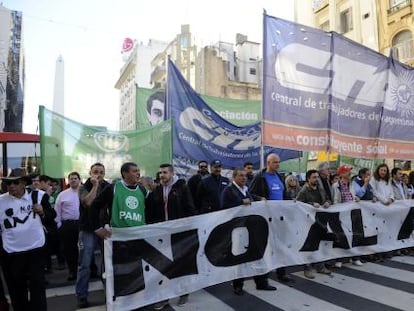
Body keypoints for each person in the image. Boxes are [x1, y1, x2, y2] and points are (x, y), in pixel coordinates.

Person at [0, 168, 56, 311]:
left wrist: (43, 211)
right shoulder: (1, 201)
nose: (11, 186)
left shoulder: (39, 196)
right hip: (12, 252)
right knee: (17, 289)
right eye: (8, 183)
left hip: (35, 249)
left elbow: (52, 215)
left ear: (24, 183)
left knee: (37, 285)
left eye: (15, 183)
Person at [146, 164, 196, 309]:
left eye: (165, 172)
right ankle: (164, 296)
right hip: (162, 234)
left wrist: (188, 230)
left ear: (172, 173)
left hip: (180, 234)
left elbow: (190, 209)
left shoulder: (182, 188)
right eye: (160, 172)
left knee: (181, 264)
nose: (162, 175)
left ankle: (184, 291)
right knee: (163, 265)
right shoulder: (157, 190)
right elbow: (150, 211)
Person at [220, 167, 276, 294]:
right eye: (240, 176)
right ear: (234, 177)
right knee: (240, 258)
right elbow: (223, 208)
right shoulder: (228, 190)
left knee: (258, 254)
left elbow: (250, 198)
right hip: (237, 231)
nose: (244, 178)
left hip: (251, 228)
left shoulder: (246, 189)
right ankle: (238, 286)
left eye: (245, 176)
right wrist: (240, 202)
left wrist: (259, 199)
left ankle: (261, 282)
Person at [249, 153, 293, 284]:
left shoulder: (279, 176)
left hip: (279, 218)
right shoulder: (260, 177)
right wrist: (260, 199)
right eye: (275, 162)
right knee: (266, 247)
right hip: (266, 219)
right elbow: (251, 194)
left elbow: (283, 194)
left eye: (279, 162)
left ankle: (282, 273)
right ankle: (262, 278)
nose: (278, 164)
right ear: (268, 163)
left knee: (281, 246)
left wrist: (291, 202)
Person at [76, 163, 109, 308]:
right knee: (85, 264)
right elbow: (88, 203)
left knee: (108, 262)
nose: (99, 174)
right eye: (96, 171)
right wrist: (95, 186)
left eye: (101, 172)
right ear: (90, 172)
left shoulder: (109, 186)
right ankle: (82, 295)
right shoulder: (84, 187)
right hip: (88, 229)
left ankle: (109, 291)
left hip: (104, 229)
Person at [90, 162, 149, 239]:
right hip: (117, 237)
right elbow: (94, 207)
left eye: (138, 171)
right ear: (125, 174)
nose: (138, 174)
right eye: (134, 171)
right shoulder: (112, 188)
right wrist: (97, 228)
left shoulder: (143, 190)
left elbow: (150, 211)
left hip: (138, 236)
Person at [296, 169, 332, 279]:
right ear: (308, 179)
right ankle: (307, 268)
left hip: (320, 220)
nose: (316, 179)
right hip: (308, 222)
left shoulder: (320, 189)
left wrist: (327, 203)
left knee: (319, 244)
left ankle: (320, 266)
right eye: (314, 177)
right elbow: (298, 204)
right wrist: (311, 204)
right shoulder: (304, 190)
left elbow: (328, 199)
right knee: (309, 245)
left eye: (317, 177)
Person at [332, 165, 362, 267]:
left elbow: (352, 196)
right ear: (341, 174)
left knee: (355, 234)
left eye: (349, 171)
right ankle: (339, 259)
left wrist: (356, 198)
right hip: (342, 213)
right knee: (341, 236)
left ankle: (354, 257)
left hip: (352, 213)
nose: (349, 173)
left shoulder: (351, 185)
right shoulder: (336, 186)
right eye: (346, 171)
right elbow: (335, 200)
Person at [55, 171, 82, 281]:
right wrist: (59, 224)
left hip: (82, 224)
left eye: (75, 178)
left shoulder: (85, 192)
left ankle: (91, 271)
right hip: (68, 225)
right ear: (68, 181)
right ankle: (73, 272)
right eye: (71, 178)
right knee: (69, 250)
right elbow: (57, 210)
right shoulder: (63, 194)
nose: (73, 180)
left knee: (86, 249)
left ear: (79, 180)